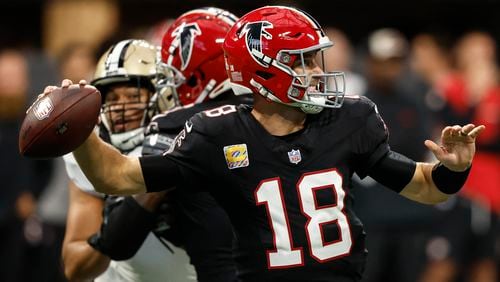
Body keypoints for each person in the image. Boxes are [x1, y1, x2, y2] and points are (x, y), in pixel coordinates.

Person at [43, 6, 485, 282]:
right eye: (303, 60)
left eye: (316, 57)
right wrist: (79, 133)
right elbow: (116, 175)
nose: (317, 69)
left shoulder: (351, 118)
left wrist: (453, 169)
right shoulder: (216, 133)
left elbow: (424, 186)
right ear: (263, 72)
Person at [113, 7, 250, 282]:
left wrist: (82, 140)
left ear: (198, 77)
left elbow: (116, 242)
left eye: (174, 76)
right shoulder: (276, 116)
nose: (168, 87)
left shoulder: (181, 128)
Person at [60, 39, 195, 282]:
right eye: (112, 97)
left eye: (133, 95)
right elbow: (75, 267)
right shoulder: (92, 152)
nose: (120, 107)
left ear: (162, 95)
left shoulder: (191, 141)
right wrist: (115, 232)